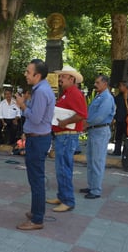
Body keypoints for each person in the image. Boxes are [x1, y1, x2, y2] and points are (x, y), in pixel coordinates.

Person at [15, 59, 55, 230]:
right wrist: (27, 102)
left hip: (38, 140)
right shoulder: (41, 89)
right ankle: (36, 212)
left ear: (37, 75)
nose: (26, 74)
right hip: (37, 138)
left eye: (28, 71)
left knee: (37, 180)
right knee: (35, 179)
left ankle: (37, 219)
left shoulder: (41, 91)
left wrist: (22, 105)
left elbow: (36, 118)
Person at [46, 66, 87, 212]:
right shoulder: (68, 93)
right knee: (62, 168)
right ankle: (62, 197)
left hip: (67, 135)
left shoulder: (74, 93)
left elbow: (82, 114)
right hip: (63, 136)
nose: (60, 79)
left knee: (63, 168)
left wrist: (64, 122)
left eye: (63, 77)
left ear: (71, 79)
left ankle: (68, 200)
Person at [80, 75, 115, 199]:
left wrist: (86, 124)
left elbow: (100, 117)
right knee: (91, 160)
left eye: (98, 82)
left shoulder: (106, 98)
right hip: (94, 131)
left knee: (97, 162)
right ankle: (92, 186)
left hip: (100, 131)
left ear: (105, 83)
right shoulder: (99, 96)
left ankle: (96, 190)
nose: (95, 84)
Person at [111, 81, 128, 156]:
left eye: (120, 86)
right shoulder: (120, 95)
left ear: (125, 86)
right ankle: (117, 151)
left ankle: (126, 153)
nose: (119, 88)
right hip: (120, 118)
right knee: (118, 136)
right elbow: (113, 101)